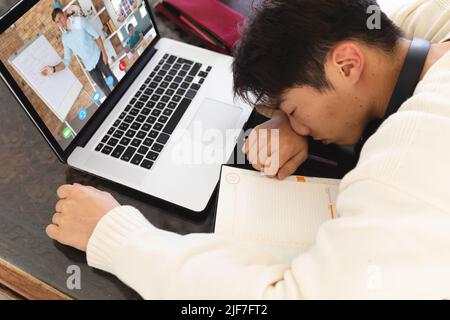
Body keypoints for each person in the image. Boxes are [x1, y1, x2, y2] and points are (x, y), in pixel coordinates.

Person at [46, 0, 450, 299]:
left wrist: (118, 238)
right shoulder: (420, 27)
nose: (296, 123)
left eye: (293, 108)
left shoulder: (404, 165)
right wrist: (296, 119)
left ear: (347, 65)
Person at [41, 8, 118, 96]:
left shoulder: (80, 21)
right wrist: (53, 69)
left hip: (99, 57)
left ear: (64, 14)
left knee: (112, 79)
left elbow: (96, 36)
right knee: (105, 90)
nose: (60, 22)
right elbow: (66, 61)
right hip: (90, 68)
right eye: (57, 21)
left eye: (60, 18)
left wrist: (104, 53)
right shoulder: (65, 38)